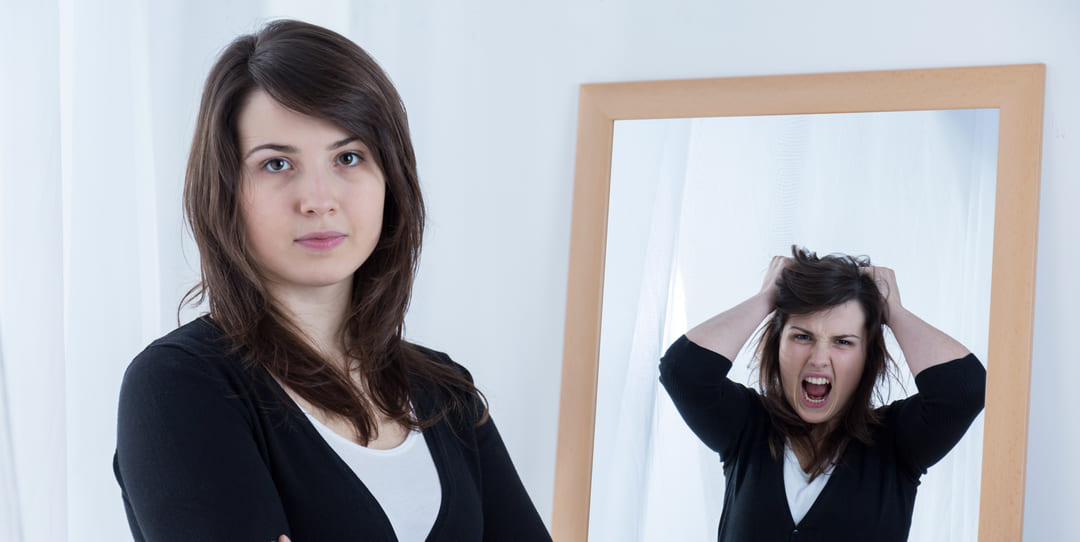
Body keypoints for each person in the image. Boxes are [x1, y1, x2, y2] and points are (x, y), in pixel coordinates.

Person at [113, 20, 550, 542]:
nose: (319, 199)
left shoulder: (445, 391)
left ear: (391, 179)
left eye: (348, 157)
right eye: (277, 164)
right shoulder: (179, 387)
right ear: (225, 188)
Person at [659, 247, 985, 541]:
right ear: (778, 344)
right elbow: (683, 372)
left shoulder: (896, 443)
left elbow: (965, 389)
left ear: (866, 358)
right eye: (802, 336)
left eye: (843, 341)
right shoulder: (747, 427)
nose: (818, 358)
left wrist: (893, 311)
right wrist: (767, 299)